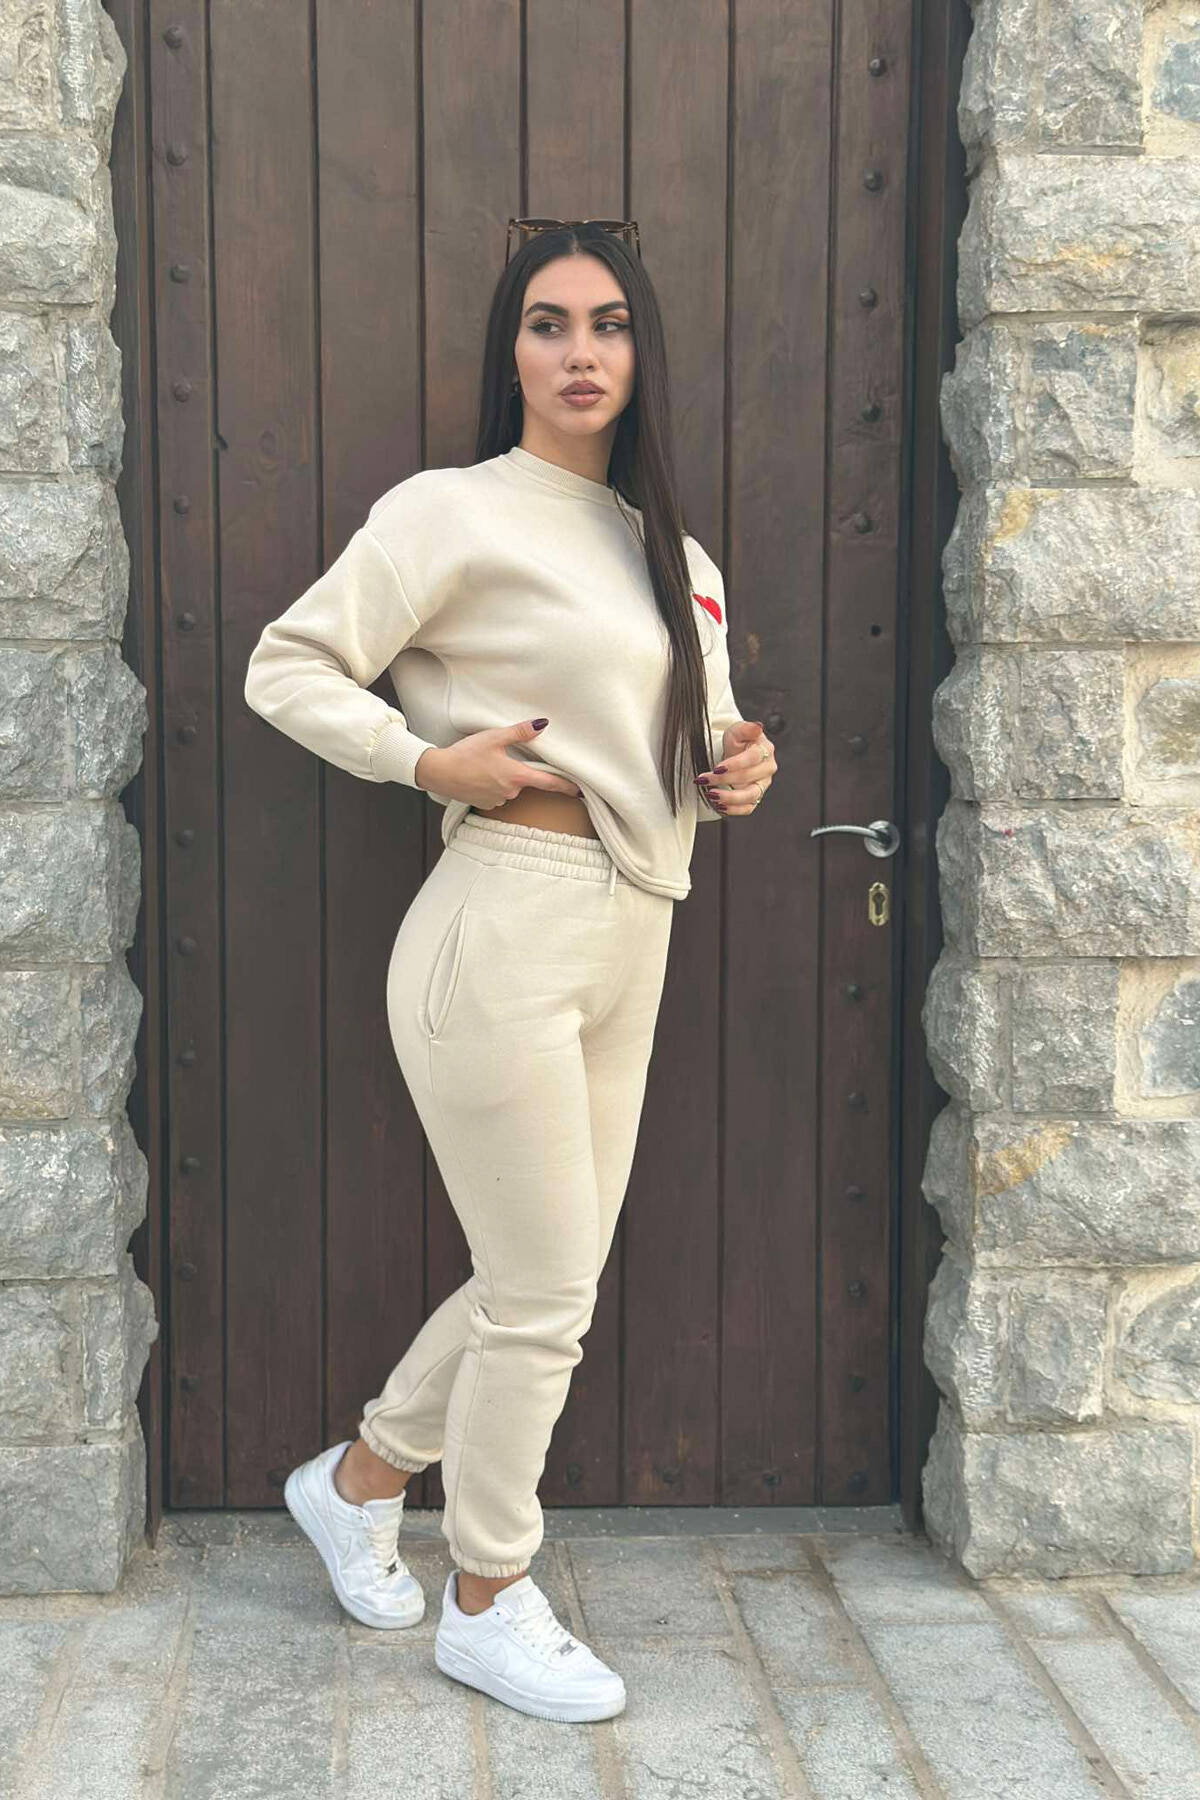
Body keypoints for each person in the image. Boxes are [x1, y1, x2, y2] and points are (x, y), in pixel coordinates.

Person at [243, 217, 777, 1724]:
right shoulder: (452, 512)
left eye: (608, 324)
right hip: (503, 920)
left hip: (636, 924)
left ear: (641, 351)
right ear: (514, 352)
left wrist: (737, 764)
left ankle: (359, 1484)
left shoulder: (677, 555)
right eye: (549, 324)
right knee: (546, 1293)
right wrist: (426, 760)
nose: (580, 351)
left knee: (539, 1278)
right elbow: (286, 663)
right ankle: (487, 1595)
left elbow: (698, 733)